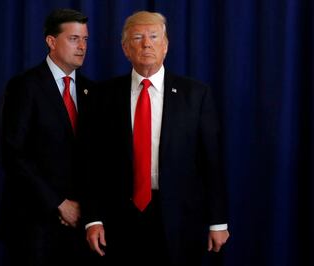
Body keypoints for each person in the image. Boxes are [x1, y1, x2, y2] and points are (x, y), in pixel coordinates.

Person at [83, 11, 229, 266]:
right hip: (120, 218)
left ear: (166, 45)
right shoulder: (102, 96)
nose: (146, 44)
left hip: (181, 217)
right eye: (137, 37)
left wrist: (218, 221)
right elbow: (92, 162)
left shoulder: (195, 95)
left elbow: (211, 162)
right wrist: (93, 218)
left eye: (153, 36)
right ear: (125, 48)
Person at [0, 8, 94, 266]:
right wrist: (59, 204)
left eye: (85, 39)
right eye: (74, 39)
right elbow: (13, 155)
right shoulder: (24, 86)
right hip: (33, 224)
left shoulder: (91, 90)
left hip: (81, 225)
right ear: (51, 42)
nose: (82, 46)